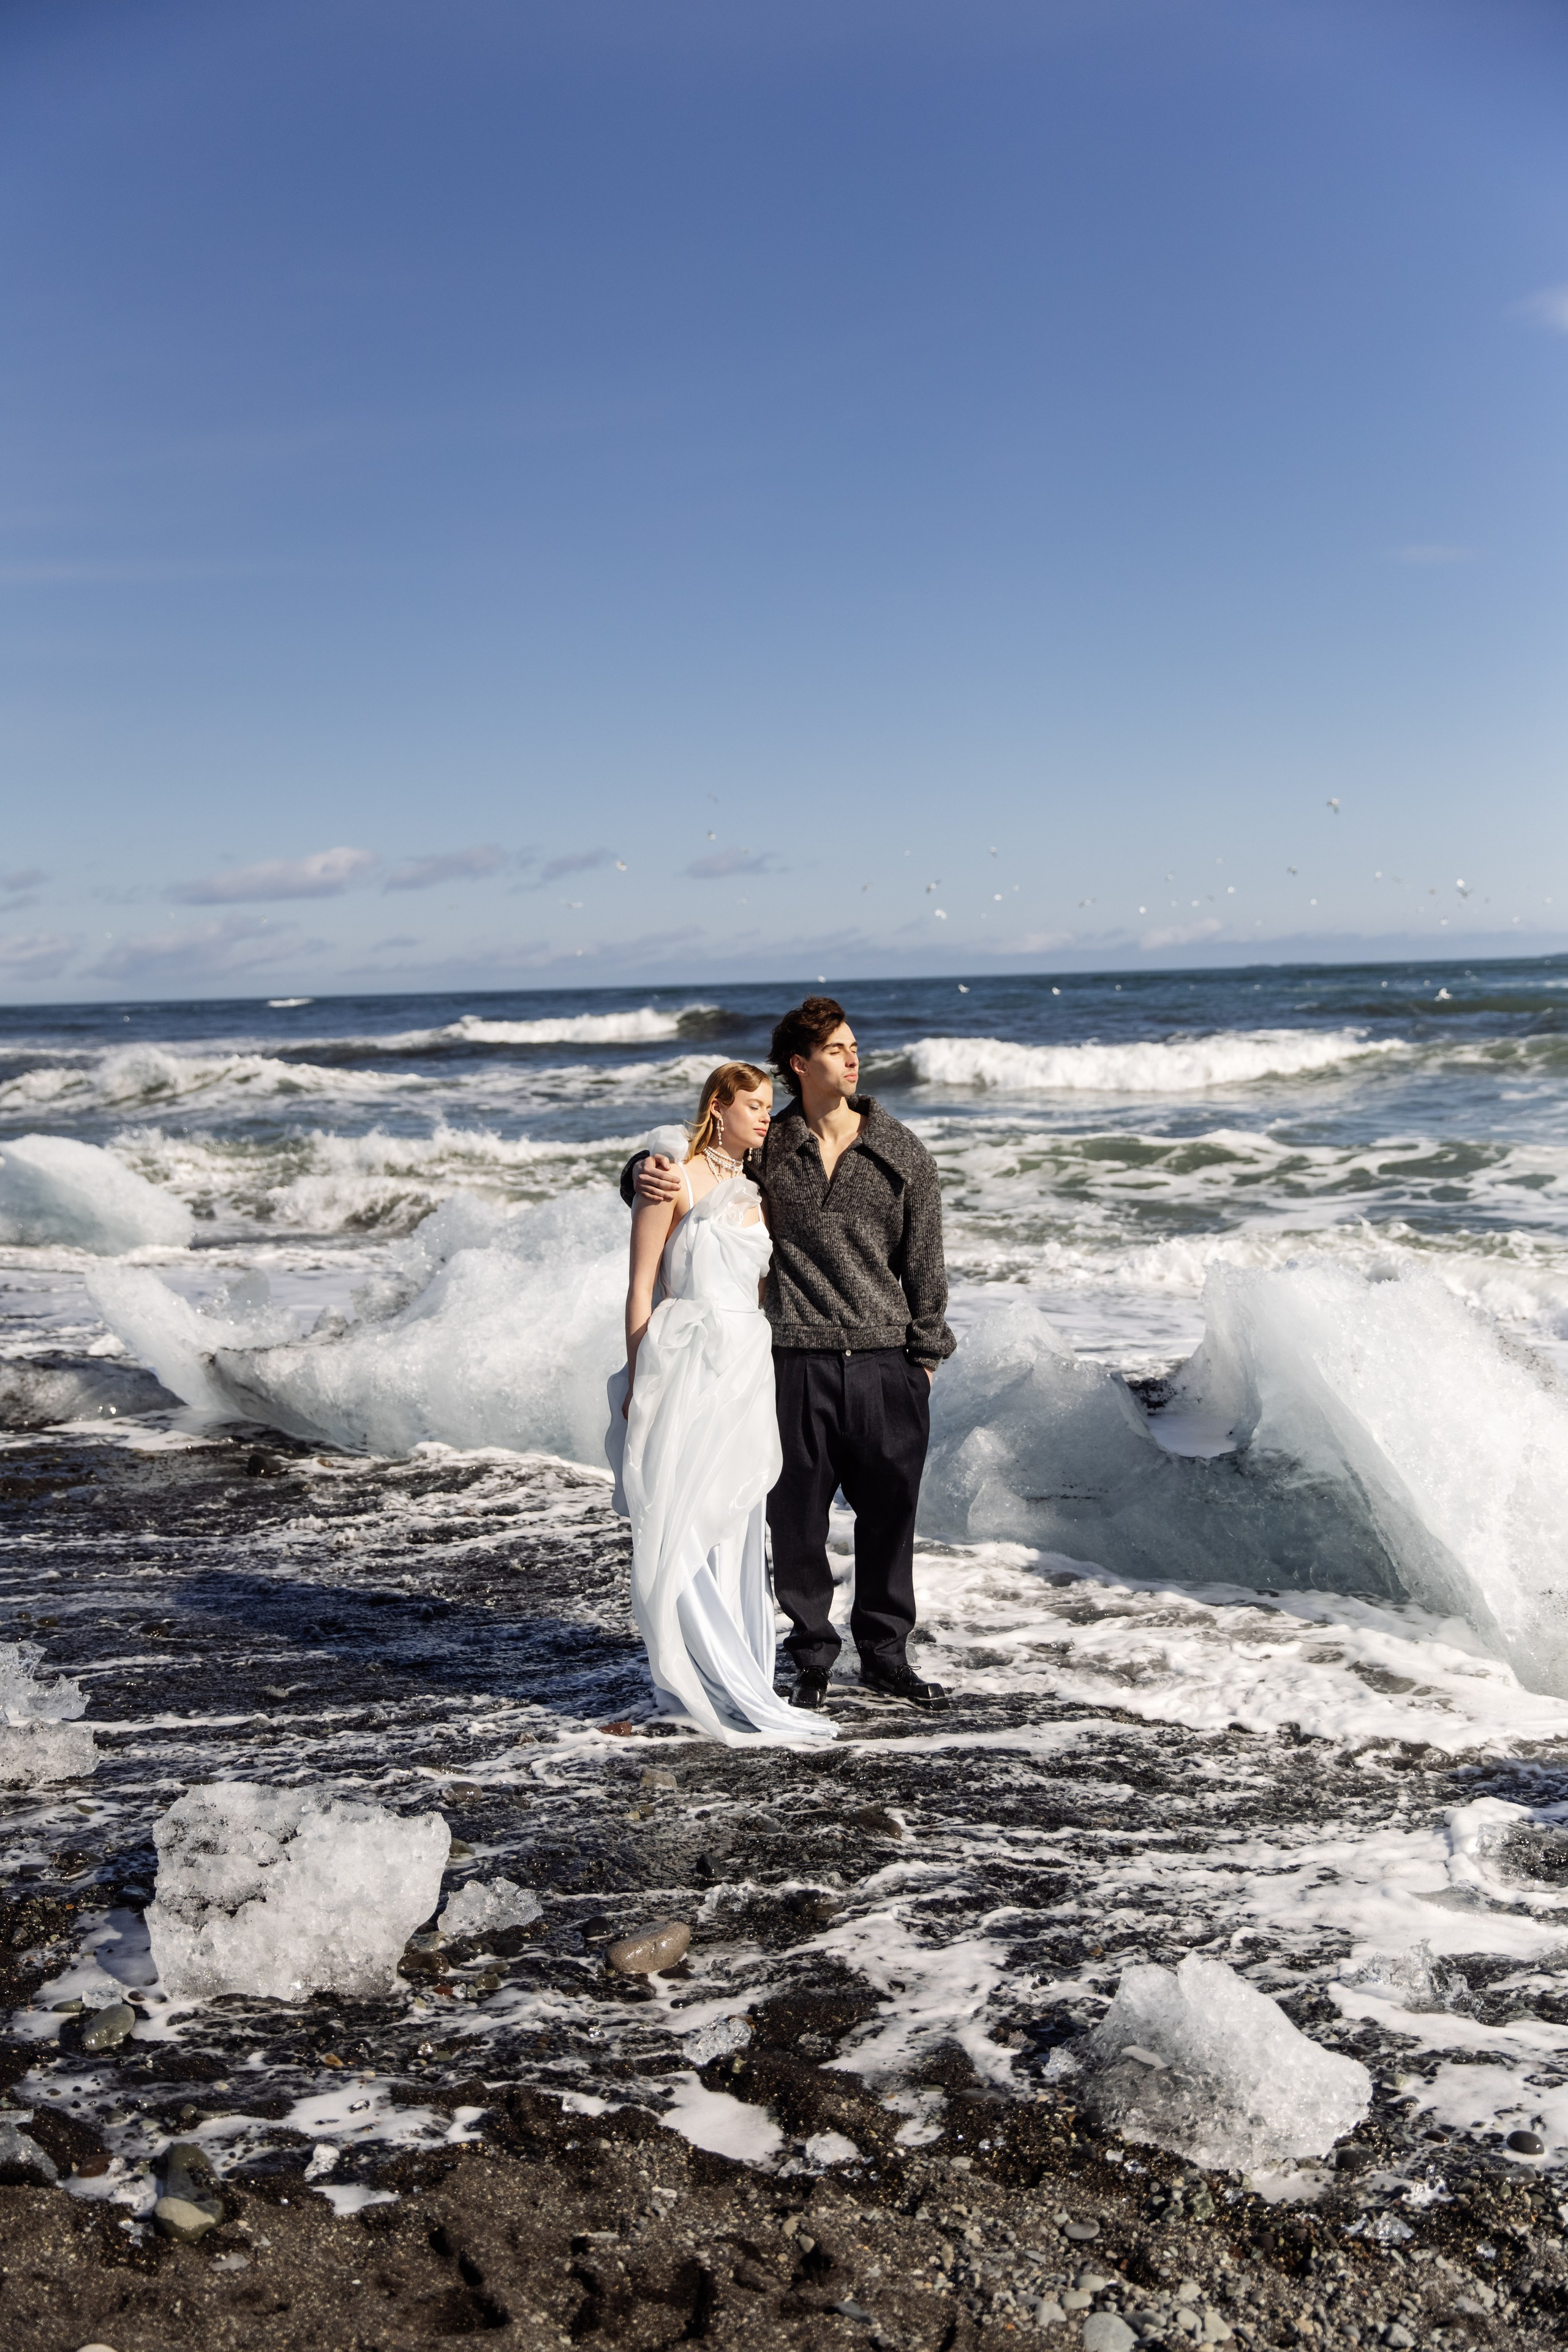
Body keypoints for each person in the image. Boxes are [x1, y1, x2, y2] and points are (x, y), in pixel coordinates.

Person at [622, 997, 956, 1713]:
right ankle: (810, 1657)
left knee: (890, 1518)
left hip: (884, 1363)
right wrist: (636, 1173)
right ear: (800, 1065)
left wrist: (921, 1362)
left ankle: (887, 1655)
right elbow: (694, 1172)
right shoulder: (769, 1147)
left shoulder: (901, 1152)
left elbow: (926, 1267)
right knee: (795, 1521)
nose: (852, 1057)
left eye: (854, 1046)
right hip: (793, 1361)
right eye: (836, 1049)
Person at [607, 1061, 837, 1746]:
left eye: (771, 1105)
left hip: (745, 1363)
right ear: (719, 1105)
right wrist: (637, 1373)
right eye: (754, 1105)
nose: (766, 1116)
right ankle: (687, 1671)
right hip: (684, 1361)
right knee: (676, 1516)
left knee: (735, 1514)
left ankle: (732, 1667)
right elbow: (641, 1287)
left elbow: (759, 1290)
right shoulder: (668, 1176)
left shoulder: (756, 1189)